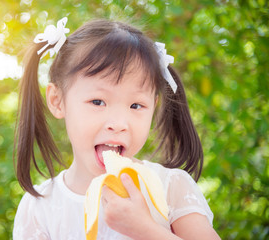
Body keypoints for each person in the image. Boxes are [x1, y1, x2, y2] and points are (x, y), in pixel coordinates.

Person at [13, 17, 221, 240]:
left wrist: (145, 230)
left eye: (136, 105)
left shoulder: (170, 187)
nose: (119, 124)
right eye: (98, 102)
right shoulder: (39, 208)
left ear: (154, 106)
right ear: (57, 100)